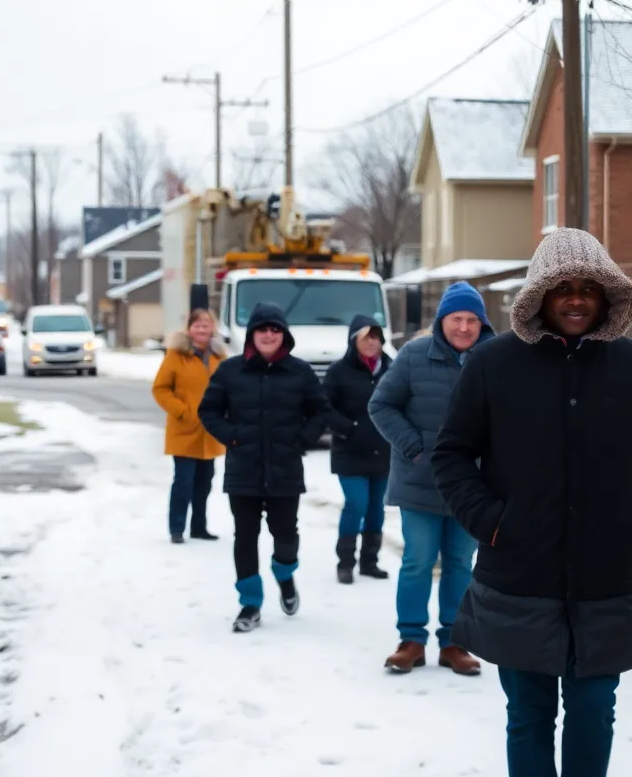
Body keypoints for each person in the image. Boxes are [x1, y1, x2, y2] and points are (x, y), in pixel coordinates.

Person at [432, 228, 632, 777]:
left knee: (595, 711)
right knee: (528, 716)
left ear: (606, 295)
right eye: (561, 287)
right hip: (517, 575)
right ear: (539, 295)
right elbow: (451, 454)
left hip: (605, 579)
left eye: (587, 288)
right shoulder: (494, 365)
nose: (575, 298)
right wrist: (491, 521)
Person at [368, 281, 493, 676]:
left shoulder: (493, 360)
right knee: (418, 561)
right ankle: (411, 641)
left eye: (473, 320)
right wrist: (414, 447)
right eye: (457, 318)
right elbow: (381, 405)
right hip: (420, 480)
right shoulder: (413, 355)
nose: (464, 327)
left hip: (472, 487)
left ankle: (455, 644)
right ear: (442, 320)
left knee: (460, 562)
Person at [198, 302, 329, 633]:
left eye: (275, 329)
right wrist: (233, 437)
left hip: (285, 469)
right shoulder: (230, 371)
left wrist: (301, 440)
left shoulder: (299, 372)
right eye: (262, 329)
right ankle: (250, 603)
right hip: (244, 469)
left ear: (284, 335)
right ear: (251, 335)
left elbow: (320, 411)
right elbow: (209, 411)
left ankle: (285, 576)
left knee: (286, 537)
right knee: (245, 537)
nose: (269, 335)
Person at [323, 315, 394, 584]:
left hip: (382, 450)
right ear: (354, 340)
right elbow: (323, 407)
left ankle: (369, 561)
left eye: (376, 337)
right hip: (350, 451)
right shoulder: (338, 371)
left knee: (376, 507)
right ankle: (345, 562)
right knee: (356, 503)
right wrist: (348, 428)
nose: (372, 342)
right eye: (366, 337)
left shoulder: (391, 369)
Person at [151, 309, 227, 544]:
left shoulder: (219, 358)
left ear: (212, 329)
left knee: (205, 482)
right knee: (184, 481)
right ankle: (176, 528)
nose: (202, 330)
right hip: (184, 429)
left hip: (210, 430)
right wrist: (182, 411)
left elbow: (229, 389)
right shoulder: (176, 355)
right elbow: (160, 389)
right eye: (197, 326)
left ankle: (199, 527)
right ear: (189, 329)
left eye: (206, 326)